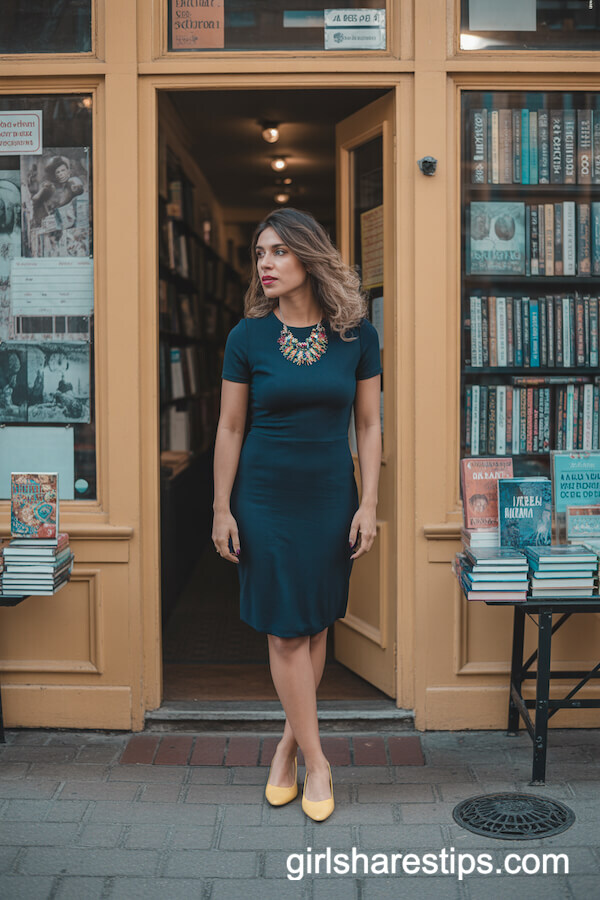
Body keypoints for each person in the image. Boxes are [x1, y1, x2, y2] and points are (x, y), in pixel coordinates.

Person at [212, 208, 382, 822]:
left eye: (279, 251)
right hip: (262, 497)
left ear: (309, 257)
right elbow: (231, 427)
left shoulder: (357, 335)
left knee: (313, 624)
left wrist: (368, 502)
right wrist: (221, 508)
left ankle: (284, 749)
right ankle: (318, 762)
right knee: (285, 629)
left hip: (330, 496)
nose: (266, 263)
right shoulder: (246, 337)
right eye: (261, 252)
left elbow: (368, 423)